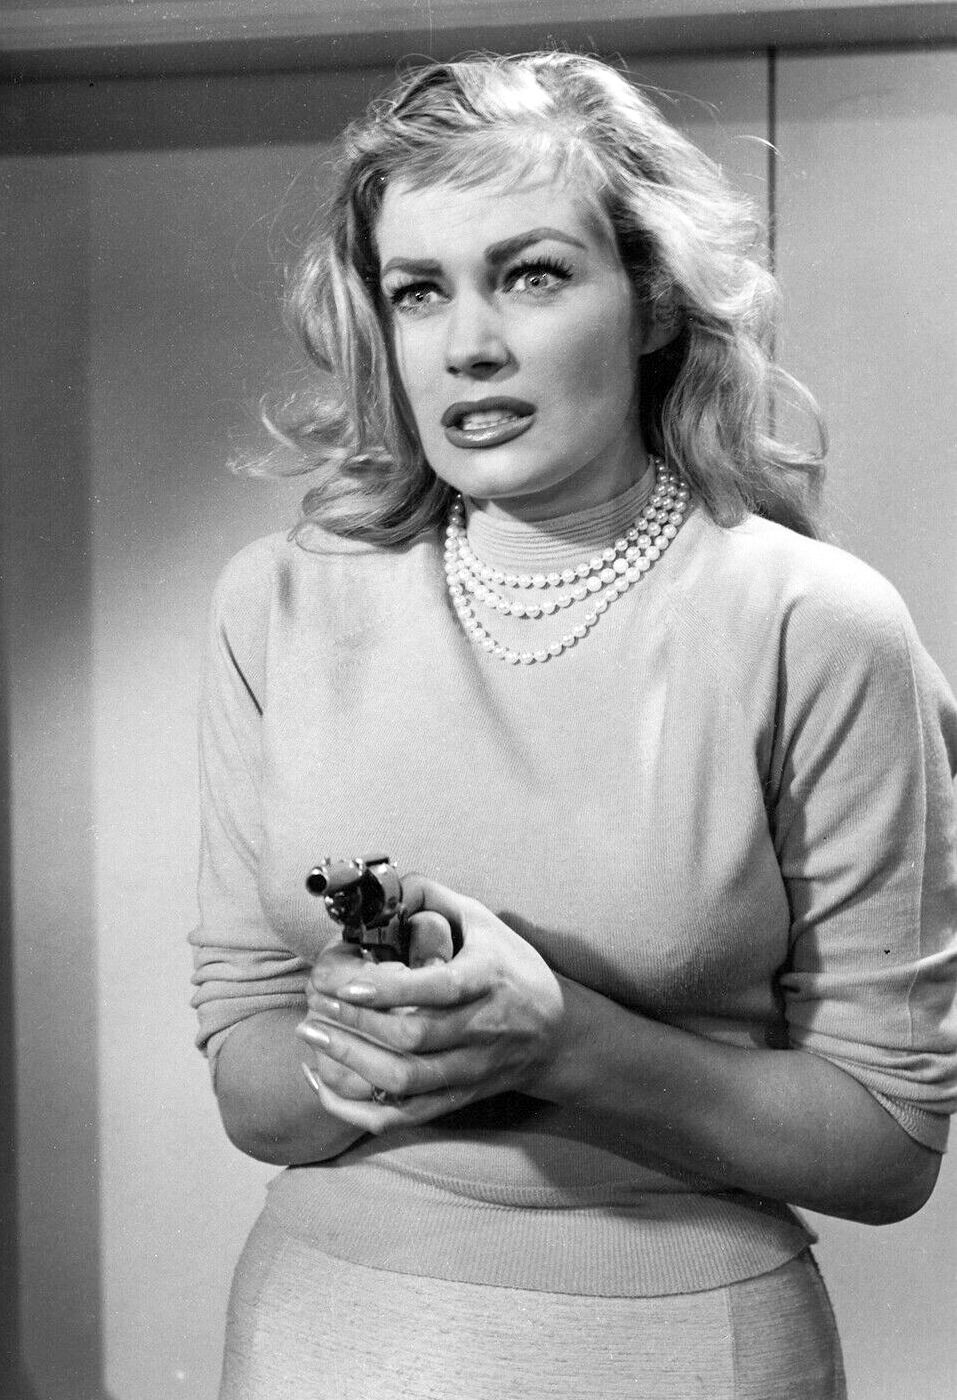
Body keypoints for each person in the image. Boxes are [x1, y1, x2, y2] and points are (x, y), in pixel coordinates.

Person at [189, 52, 957, 1400]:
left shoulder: (818, 625)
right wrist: (377, 1034)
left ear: (652, 301)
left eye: (531, 274)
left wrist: (564, 1042)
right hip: (322, 1333)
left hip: (687, 1347)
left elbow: (886, 1146)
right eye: (419, 290)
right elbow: (250, 1084)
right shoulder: (280, 601)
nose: (468, 344)